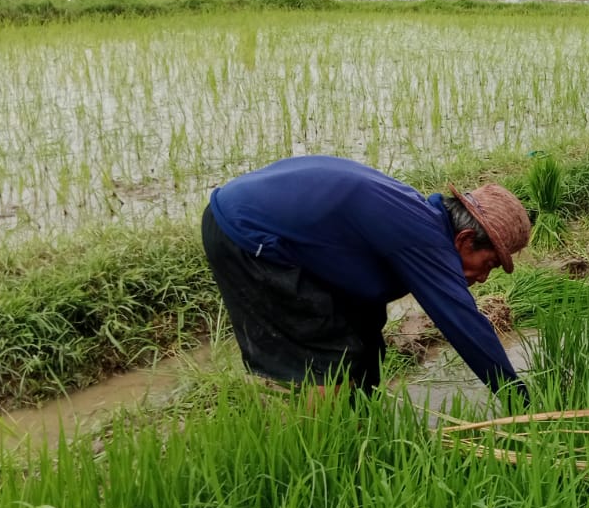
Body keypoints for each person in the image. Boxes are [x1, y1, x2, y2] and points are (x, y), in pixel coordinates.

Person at [201, 155, 531, 402]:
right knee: (331, 356)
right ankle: (327, 457)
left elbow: (365, 307)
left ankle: (361, 424)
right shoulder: (424, 237)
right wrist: (521, 403)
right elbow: (465, 325)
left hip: (266, 227)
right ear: (464, 240)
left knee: (362, 342)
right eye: (488, 263)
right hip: (246, 234)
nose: (485, 278)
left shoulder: (419, 222)